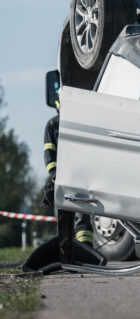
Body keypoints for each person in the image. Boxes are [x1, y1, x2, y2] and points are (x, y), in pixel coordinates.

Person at [41, 99, 94, 246]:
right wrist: (54, 176)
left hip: (69, 178)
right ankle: (79, 251)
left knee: (73, 217)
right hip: (76, 177)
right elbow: (50, 156)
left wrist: (54, 177)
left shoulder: (53, 124)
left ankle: (77, 251)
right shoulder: (58, 124)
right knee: (80, 216)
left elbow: (49, 155)